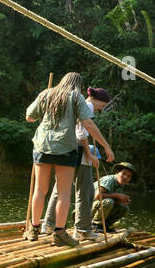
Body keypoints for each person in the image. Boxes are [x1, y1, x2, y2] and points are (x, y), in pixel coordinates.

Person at [25, 73, 114, 246]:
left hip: (43, 144)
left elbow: (29, 117)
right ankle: (59, 233)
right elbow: (88, 123)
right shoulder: (75, 96)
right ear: (77, 85)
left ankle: (34, 229)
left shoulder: (46, 93)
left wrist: (46, 115)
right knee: (64, 192)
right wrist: (106, 146)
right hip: (65, 147)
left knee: (40, 190)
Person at [45, 87, 111, 241]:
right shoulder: (87, 106)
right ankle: (82, 230)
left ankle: (48, 224)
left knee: (61, 188)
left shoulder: (74, 104)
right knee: (85, 191)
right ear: (98, 100)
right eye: (103, 104)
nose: (102, 108)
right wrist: (91, 155)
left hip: (65, 149)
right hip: (78, 151)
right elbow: (81, 135)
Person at [94, 162, 137, 232]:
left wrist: (122, 201)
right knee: (109, 202)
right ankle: (95, 224)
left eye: (129, 176)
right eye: (124, 173)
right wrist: (117, 195)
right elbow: (97, 196)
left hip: (97, 207)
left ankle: (105, 226)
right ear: (117, 172)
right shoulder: (109, 180)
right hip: (86, 211)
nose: (125, 177)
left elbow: (113, 201)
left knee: (124, 208)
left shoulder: (120, 184)